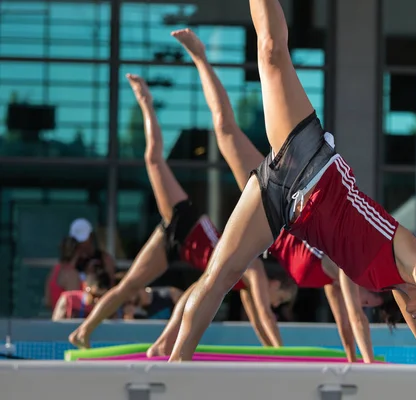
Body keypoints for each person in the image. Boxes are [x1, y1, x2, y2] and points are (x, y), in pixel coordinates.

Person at [168, 0, 416, 366]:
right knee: (271, 51)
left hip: (283, 205)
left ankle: (173, 373)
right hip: (311, 162)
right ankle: (175, 367)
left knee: (221, 276)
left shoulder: (397, 290)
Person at [156, 28, 383, 362]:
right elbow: (357, 320)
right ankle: (200, 57)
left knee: (217, 277)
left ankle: (170, 353)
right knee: (225, 128)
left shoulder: (335, 281)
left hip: (269, 219)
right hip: (280, 192)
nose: (365, 303)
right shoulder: (344, 266)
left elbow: (347, 327)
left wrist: (358, 365)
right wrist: (369, 364)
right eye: (371, 299)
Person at [67, 73, 296, 350]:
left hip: (181, 247)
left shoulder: (240, 281)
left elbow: (259, 321)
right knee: (153, 158)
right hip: (187, 223)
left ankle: (157, 345)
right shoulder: (254, 268)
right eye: (279, 297)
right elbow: (265, 315)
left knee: (158, 291)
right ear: (273, 283)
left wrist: (272, 352)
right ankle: (146, 102)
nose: (275, 302)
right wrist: (283, 353)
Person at [67, 218, 116, 283]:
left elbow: (111, 284)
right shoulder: (70, 261)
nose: (81, 244)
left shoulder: (104, 259)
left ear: (91, 236)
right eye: (77, 241)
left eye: (83, 240)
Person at [45, 237, 84, 309]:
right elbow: (73, 306)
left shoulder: (54, 270)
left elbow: (48, 302)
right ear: (78, 252)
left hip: (55, 318)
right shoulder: (72, 274)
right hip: (68, 319)